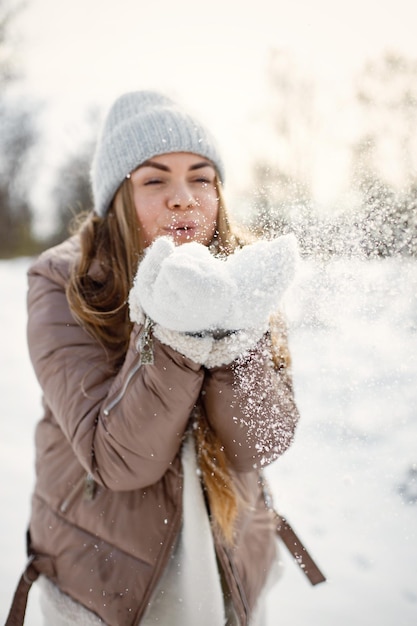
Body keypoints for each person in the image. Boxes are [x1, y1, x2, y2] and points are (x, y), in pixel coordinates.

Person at [7, 91, 302, 626]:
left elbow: (260, 443)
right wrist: (177, 335)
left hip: (229, 564)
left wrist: (236, 331)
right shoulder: (62, 282)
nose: (183, 198)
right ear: (118, 196)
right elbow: (118, 460)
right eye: (154, 179)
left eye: (202, 177)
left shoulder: (242, 272)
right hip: (104, 581)